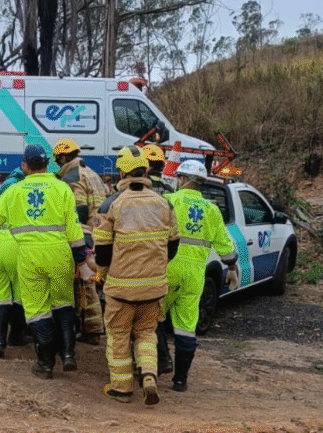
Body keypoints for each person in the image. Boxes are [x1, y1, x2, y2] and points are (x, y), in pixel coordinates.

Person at [0, 144, 85, 379]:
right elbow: (74, 226)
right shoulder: (62, 188)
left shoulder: (14, 191)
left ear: (25, 165)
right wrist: (81, 259)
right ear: (47, 164)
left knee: (37, 311)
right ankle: (68, 354)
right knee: (63, 303)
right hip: (60, 254)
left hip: (29, 255)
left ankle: (45, 363)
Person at [93, 146, 179, 405]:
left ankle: (121, 389)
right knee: (146, 334)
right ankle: (149, 376)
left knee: (118, 336)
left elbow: (102, 253)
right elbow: (173, 245)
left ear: (122, 171)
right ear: (145, 170)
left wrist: (102, 276)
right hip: (154, 288)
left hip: (121, 289)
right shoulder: (163, 203)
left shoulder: (111, 204)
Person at [158, 159, 238, 392]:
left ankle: (162, 362)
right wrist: (231, 269)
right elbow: (225, 245)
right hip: (194, 274)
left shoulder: (169, 201)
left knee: (154, 318)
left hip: (166, 269)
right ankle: (180, 381)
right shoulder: (211, 210)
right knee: (185, 326)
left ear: (182, 179)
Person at [53, 138, 110, 345]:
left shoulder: (72, 178)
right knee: (91, 280)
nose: (57, 164)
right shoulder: (92, 173)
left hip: (84, 233)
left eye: (58, 159)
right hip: (100, 232)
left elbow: (78, 211)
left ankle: (92, 329)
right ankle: (91, 328)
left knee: (84, 283)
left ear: (63, 156)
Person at [0, 166, 30, 358]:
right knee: (20, 294)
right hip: (19, 244)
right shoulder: (27, 188)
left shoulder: (6, 185)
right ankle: (16, 336)